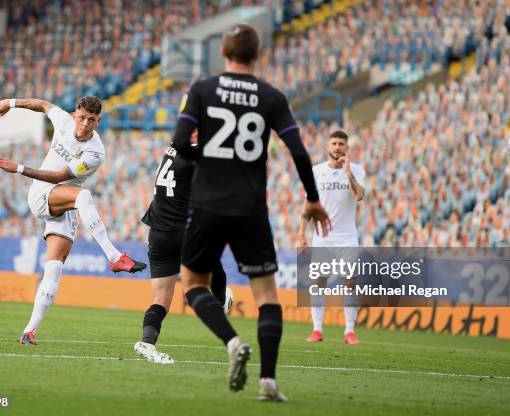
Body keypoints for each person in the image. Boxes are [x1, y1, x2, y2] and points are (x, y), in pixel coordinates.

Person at [171, 23, 331, 402]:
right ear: (257, 54)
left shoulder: (202, 90)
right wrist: (311, 197)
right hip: (250, 208)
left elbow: (179, 143)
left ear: (223, 53)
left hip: (208, 202)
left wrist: (206, 159)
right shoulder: (271, 96)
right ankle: (269, 382)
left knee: (193, 282)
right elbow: (300, 152)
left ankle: (231, 342)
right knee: (266, 296)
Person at [0, 96, 146, 345]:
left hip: (64, 202)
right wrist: (9, 102)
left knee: (54, 269)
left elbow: (58, 177)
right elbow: (43, 105)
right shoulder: (63, 121)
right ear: (75, 114)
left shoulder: (95, 153)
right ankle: (115, 257)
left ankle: (28, 332)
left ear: (98, 121)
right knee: (83, 195)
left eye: (92, 120)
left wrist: (18, 168)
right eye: (82, 117)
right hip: (41, 194)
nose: (85, 124)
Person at [135, 133, 233, 364]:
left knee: (160, 299)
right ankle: (220, 301)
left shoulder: (172, 150)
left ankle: (147, 343)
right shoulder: (198, 153)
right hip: (183, 231)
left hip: (158, 233)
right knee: (213, 264)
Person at [298, 130, 365, 345]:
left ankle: (349, 331)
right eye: (334, 143)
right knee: (319, 282)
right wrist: (301, 233)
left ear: (347, 148)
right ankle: (317, 329)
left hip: (347, 237)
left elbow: (359, 195)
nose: (337, 147)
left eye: (341, 144)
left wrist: (348, 173)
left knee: (350, 282)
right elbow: (308, 204)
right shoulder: (316, 172)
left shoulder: (356, 170)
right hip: (322, 237)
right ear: (328, 147)